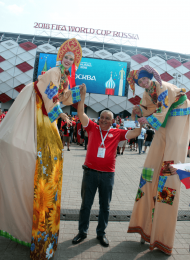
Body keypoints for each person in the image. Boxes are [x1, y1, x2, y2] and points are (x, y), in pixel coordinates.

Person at [0, 38, 83, 260]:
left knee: (48, 152)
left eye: (71, 59)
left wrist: (77, 94)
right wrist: (61, 113)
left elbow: (62, 97)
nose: (68, 60)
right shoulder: (56, 71)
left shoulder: (64, 77)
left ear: (74, 63)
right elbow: (50, 97)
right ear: (60, 57)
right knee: (40, 149)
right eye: (66, 56)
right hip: (36, 107)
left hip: (45, 110)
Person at [127, 65, 190, 255]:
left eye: (144, 80)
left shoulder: (162, 87)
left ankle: (162, 237)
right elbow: (149, 109)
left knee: (170, 171)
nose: (143, 83)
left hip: (179, 116)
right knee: (150, 170)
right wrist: (140, 110)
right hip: (164, 120)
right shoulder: (147, 93)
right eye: (140, 82)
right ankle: (145, 228)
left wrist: (148, 119)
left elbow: (159, 112)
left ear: (150, 78)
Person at [72, 84, 142, 247]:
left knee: (105, 206)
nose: (103, 120)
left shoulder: (117, 132)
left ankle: (101, 233)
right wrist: (82, 99)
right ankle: (82, 232)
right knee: (86, 205)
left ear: (112, 121)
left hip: (107, 175)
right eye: (102, 117)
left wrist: (138, 118)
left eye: (107, 118)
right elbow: (81, 114)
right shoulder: (92, 128)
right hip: (89, 173)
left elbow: (136, 132)